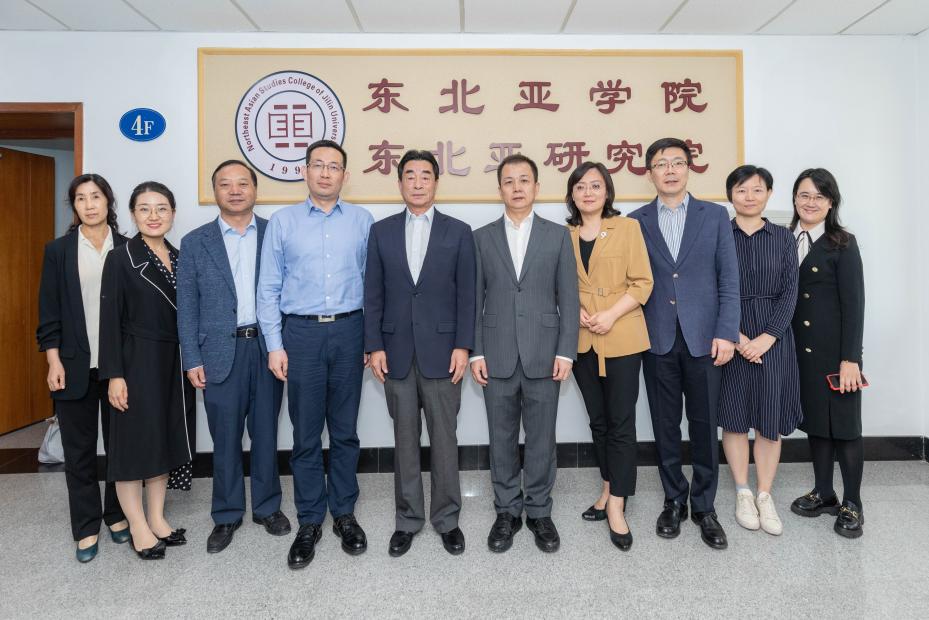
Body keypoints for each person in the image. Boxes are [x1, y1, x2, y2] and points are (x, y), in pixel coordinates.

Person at [257, 139, 374, 569]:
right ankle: (309, 519)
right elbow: (268, 288)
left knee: (344, 431)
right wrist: (275, 345)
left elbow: (373, 285)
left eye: (334, 166)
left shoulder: (362, 221)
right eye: (318, 165)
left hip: (350, 330)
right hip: (301, 334)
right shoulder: (282, 223)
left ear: (345, 175)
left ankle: (344, 513)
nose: (326, 173)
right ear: (304, 171)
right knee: (305, 434)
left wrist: (370, 340)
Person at [628, 137, 740, 550]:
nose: (670, 170)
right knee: (665, 425)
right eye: (661, 164)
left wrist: (727, 332)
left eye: (677, 162)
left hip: (706, 339)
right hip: (656, 337)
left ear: (689, 168)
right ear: (650, 174)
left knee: (705, 425)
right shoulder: (635, 221)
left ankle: (705, 506)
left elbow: (729, 279)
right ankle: (673, 499)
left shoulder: (715, 215)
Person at [364, 150, 475, 557]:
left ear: (436, 182)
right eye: (409, 175)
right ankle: (408, 520)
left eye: (425, 175)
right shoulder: (381, 232)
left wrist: (463, 345)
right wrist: (374, 345)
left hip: (444, 352)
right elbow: (372, 293)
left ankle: (447, 519)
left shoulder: (458, 231)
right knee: (405, 440)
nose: (417, 182)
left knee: (445, 439)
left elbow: (467, 294)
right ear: (400, 183)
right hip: (395, 352)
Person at [177, 160, 289, 554]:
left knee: (266, 432)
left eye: (243, 183)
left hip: (267, 347)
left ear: (256, 189)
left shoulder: (276, 233)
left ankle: (268, 507)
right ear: (215, 192)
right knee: (224, 437)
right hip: (219, 351)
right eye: (225, 184)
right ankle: (226, 514)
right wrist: (192, 358)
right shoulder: (195, 242)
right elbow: (187, 306)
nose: (235, 190)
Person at [470, 154, 580, 554]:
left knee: (541, 438)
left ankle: (539, 511)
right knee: (500, 438)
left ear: (536, 187)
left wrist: (566, 351)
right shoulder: (481, 238)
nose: (517, 187)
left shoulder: (557, 236)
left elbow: (569, 298)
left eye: (524, 180)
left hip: (544, 353)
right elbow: (474, 300)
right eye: (509, 181)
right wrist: (476, 353)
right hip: (496, 353)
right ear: (499, 188)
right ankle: (506, 511)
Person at [36, 173, 130, 562]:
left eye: (96, 197)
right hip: (73, 366)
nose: (89, 205)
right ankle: (87, 526)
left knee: (122, 449)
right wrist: (53, 360)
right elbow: (49, 311)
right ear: (73, 205)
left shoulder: (129, 248)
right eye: (80, 198)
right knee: (79, 452)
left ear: (108, 201)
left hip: (119, 368)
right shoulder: (58, 251)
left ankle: (117, 514)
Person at [99, 181, 195, 560]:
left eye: (161, 209)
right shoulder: (121, 258)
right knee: (133, 445)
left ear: (173, 213)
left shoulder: (181, 256)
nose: (153, 216)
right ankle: (137, 526)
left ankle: (156, 517)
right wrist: (115, 374)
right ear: (132, 214)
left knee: (162, 440)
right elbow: (109, 321)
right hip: (135, 361)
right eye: (144, 209)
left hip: (173, 362)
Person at [566, 162, 653, 551]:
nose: (588, 192)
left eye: (595, 186)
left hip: (621, 337)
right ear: (571, 194)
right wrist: (575, 311)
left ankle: (618, 503)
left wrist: (611, 314)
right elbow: (559, 286)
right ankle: (607, 486)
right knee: (598, 422)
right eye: (580, 186)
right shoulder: (564, 235)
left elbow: (643, 282)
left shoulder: (627, 228)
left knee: (621, 423)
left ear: (607, 192)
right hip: (582, 341)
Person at [717, 165, 802, 536]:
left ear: (768, 194)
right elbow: (712, 288)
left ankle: (765, 494)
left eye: (757, 190)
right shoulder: (720, 234)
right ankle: (742, 491)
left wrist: (768, 336)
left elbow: (790, 291)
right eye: (741, 190)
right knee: (734, 416)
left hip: (774, 338)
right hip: (730, 334)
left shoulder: (783, 238)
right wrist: (736, 337)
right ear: (730, 195)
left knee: (770, 418)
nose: (749, 196)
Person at [787, 168, 866, 538]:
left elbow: (855, 305)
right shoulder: (786, 240)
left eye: (819, 196)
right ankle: (824, 492)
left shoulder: (842, 243)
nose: (811, 202)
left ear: (831, 202)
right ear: (794, 199)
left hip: (837, 356)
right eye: (804, 195)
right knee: (817, 425)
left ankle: (853, 502)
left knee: (845, 429)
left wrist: (851, 359)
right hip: (802, 354)